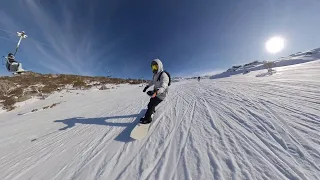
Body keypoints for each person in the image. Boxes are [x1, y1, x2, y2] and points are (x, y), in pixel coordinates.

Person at [141, 59, 170, 124]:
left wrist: (156, 92)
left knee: (151, 105)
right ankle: (152, 110)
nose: (154, 69)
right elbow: (152, 81)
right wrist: (147, 86)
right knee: (151, 102)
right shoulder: (155, 75)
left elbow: (163, 86)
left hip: (161, 94)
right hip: (156, 92)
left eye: (155, 67)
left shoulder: (163, 75)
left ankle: (147, 119)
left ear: (159, 66)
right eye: (153, 67)